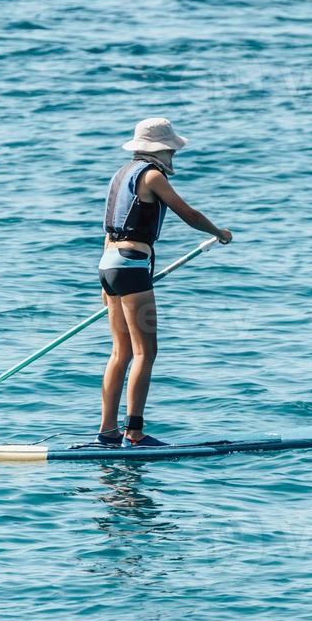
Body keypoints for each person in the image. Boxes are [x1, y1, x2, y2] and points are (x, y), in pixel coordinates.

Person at [97, 118, 231, 448]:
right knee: (146, 351)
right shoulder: (152, 175)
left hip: (108, 265)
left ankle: (107, 430)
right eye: (171, 149)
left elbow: (110, 228)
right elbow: (190, 215)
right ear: (160, 149)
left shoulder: (120, 175)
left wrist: (105, 286)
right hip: (131, 267)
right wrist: (219, 233)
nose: (173, 155)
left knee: (120, 352)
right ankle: (134, 433)